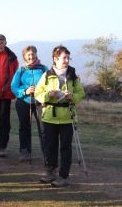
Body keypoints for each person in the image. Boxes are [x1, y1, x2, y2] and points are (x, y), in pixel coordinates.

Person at [34, 45, 85, 187]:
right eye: (64, 57)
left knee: (65, 147)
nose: (67, 60)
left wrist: (72, 96)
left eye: (68, 57)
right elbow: (38, 94)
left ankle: (63, 176)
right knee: (50, 146)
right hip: (49, 116)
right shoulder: (46, 75)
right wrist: (48, 95)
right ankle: (50, 173)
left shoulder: (73, 76)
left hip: (67, 117)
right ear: (55, 59)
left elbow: (81, 94)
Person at [11, 46, 48, 162]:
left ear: (36, 54)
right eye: (28, 55)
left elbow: (50, 84)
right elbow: (14, 87)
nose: (31, 57)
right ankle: (24, 151)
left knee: (44, 128)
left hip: (40, 103)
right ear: (25, 57)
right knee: (24, 127)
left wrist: (41, 92)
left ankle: (47, 152)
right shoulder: (21, 70)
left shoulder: (44, 69)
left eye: (33, 54)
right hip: (24, 102)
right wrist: (25, 92)